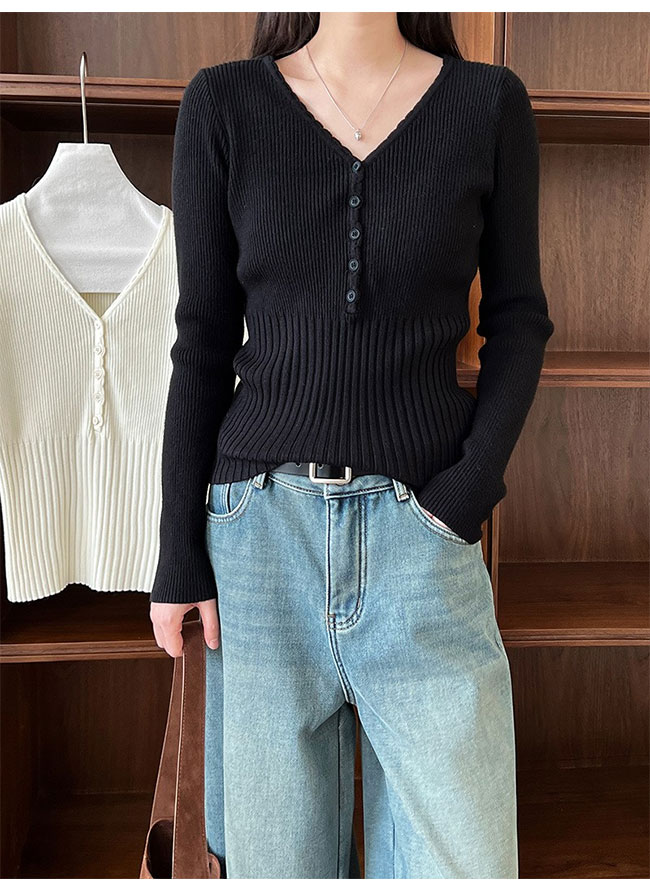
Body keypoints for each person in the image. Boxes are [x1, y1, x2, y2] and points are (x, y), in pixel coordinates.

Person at [149, 11, 554, 880]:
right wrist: (178, 552)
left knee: (465, 861)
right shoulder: (223, 104)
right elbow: (203, 339)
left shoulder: (490, 105)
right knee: (275, 866)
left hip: (425, 540)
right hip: (260, 549)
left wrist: (464, 497)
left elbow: (520, 320)